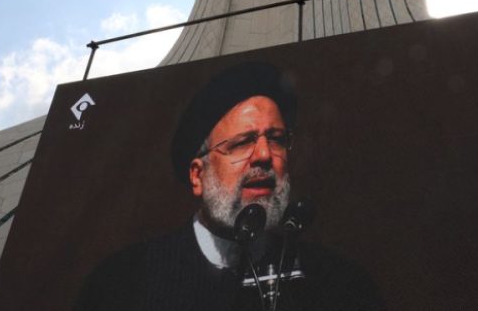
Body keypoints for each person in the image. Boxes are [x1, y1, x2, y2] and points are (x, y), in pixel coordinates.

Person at [75, 61, 383, 311]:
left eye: (275, 139)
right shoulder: (123, 281)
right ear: (198, 175)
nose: (264, 155)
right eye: (242, 143)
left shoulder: (337, 280)